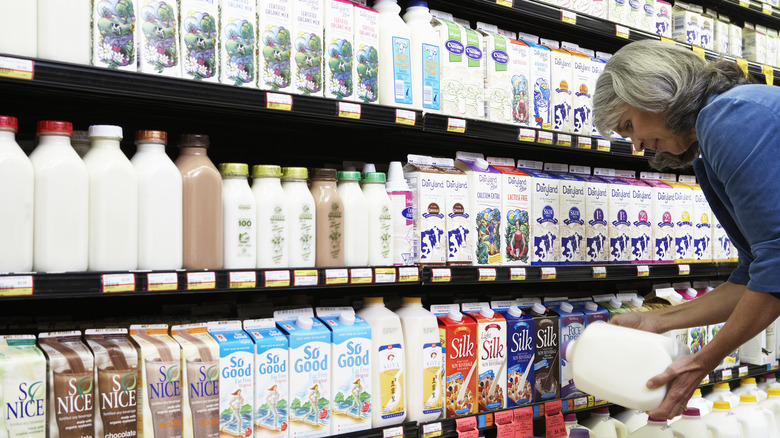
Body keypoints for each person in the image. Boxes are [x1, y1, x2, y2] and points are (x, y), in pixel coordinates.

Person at [592, 39, 780, 420]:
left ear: (657, 92)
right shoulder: (711, 142)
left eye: (629, 125)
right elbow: (751, 274)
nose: (637, 144)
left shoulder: (731, 117)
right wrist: (657, 320)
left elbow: (777, 265)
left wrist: (700, 363)